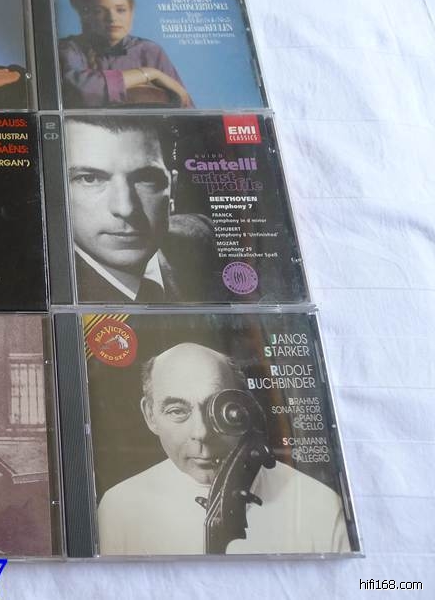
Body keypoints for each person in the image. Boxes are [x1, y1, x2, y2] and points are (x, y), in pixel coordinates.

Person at [96, 342, 351, 555]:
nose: (201, 433)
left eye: (216, 408)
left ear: (243, 406)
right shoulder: (119, 507)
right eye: (177, 411)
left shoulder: (321, 506)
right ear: (150, 415)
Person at [65, 115, 212, 303]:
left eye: (146, 179)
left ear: (172, 191)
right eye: (90, 179)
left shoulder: (203, 237)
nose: (125, 208)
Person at [59, 0, 192, 108]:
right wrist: (150, 73)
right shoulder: (68, 47)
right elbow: (78, 90)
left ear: (131, 13)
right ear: (84, 15)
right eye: (99, 11)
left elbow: (184, 104)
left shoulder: (150, 50)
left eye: (121, 10)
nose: (112, 18)